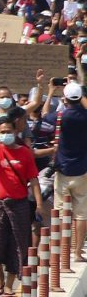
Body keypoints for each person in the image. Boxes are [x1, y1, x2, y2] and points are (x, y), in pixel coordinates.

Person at [0, 105, 43, 297]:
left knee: (18, 245)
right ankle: (0, 278)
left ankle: (9, 284)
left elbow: (34, 180)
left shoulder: (25, 153)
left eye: (8, 131)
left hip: (19, 204)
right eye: (1, 132)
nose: (5, 134)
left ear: (15, 131)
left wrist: (38, 204)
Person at [53, 82, 87, 261]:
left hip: (63, 170)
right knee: (81, 213)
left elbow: (43, 117)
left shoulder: (61, 116)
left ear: (64, 98)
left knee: (59, 212)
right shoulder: (85, 115)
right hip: (82, 170)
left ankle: (60, 252)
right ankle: (77, 252)